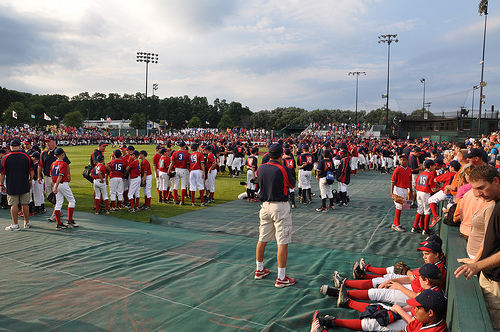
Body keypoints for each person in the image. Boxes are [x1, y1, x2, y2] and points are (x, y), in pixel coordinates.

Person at [455, 165, 500, 331]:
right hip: (488, 274)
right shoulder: (493, 202)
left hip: (496, 281)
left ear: (496, 181)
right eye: (475, 188)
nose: (478, 193)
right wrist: (476, 260)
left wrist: (477, 265)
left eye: (481, 187)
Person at [254, 143, 296, 288]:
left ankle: (259, 269)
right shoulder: (282, 169)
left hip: (265, 206)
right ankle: (281, 277)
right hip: (279, 206)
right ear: (281, 155)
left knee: (262, 238)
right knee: (282, 242)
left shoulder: (261, 167)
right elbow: (292, 185)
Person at [310, 289, 448, 332]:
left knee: (375, 322)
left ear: (430, 313)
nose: (415, 310)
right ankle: (347, 303)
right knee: (380, 311)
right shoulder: (422, 321)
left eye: (418, 308)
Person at [1, 139, 35, 230]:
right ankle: (26, 222)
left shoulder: (6, 157)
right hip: (24, 182)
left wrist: (1, 184)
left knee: (13, 204)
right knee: (25, 203)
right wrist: (30, 180)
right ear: (20, 146)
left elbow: (2, 173)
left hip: (12, 183)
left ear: (11, 147)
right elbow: (32, 170)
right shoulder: (26, 156)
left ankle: (15, 224)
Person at [38, 136, 71, 221]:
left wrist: (68, 175)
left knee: (56, 194)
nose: (47, 144)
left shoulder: (59, 151)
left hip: (58, 178)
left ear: (53, 142)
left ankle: (55, 212)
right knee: (49, 195)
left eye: (49, 141)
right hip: (47, 177)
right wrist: (39, 176)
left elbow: (66, 164)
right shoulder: (44, 153)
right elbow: (40, 165)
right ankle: (58, 210)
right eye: (46, 142)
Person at [51, 148, 77, 230]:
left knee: (58, 203)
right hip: (62, 184)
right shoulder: (64, 164)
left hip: (56, 184)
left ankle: (59, 224)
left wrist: (54, 186)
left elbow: (52, 176)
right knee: (72, 200)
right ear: (63, 154)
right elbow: (60, 175)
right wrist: (55, 187)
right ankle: (69, 220)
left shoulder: (53, 164)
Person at [412, 159, 438, 235]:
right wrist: (439, 189)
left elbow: (415, 184)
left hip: (419, 192)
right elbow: (433, 189)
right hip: (425, 193)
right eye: (433, 165)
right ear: (430, 166)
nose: (434, 167)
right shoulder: (430, 174)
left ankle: (415, 227)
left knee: (419, 210)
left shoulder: (421, 173)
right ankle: (425, 229)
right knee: (427, 211)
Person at [390, 154, 413, 232]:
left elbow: (410, 181)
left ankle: (394, 223)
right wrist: (392, 193)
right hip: (398, 188)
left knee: (402, 207)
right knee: (399, 207)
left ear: (407, 161)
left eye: (404, 160)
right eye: (401, 160)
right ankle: (397, 225)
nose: (402, 161)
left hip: (405, 189)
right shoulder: (397, 169)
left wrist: (411, 191)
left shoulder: (409, 170)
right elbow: (392, 182)